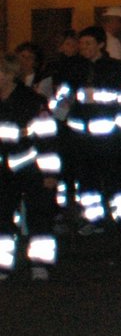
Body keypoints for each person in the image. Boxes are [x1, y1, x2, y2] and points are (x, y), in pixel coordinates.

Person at [66, 25, 121, 232]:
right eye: (81, 43)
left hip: (111, 138)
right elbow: (66, 100)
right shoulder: (74, 69)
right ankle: (93, 220)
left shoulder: (116, 68)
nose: (83, 47)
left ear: (100, 44)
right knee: (87, 183)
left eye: (88, 43)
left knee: (116, 180)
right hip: (82, 138)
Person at [0, 53, 60, 280]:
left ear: (8, 75)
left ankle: (40, 264)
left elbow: (47, 137)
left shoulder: (31, 101)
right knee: (2, 218)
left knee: (39, 216)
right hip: (4, 169)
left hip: (32, 167)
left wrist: (50, 174)